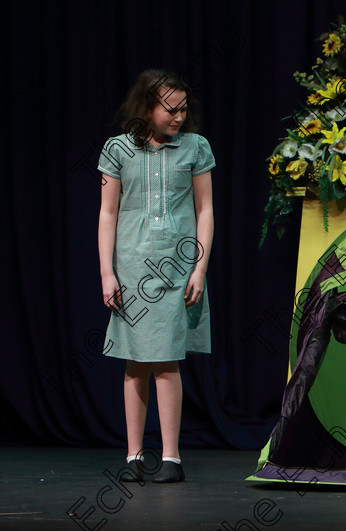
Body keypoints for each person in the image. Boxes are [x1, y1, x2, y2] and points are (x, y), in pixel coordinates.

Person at [97, 69, 215, 483]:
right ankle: (133, 456)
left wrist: (200, 266)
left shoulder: (195, 148)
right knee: (135, 362)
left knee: (166, 360)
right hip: (131, 264)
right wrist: (107, 272)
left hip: (178, 265)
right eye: (170, 109)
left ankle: (170, 457)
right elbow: (108, 213)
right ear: (147, 106)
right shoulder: (118, 150)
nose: (178, 116)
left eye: (183, 108)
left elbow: (204, 210)